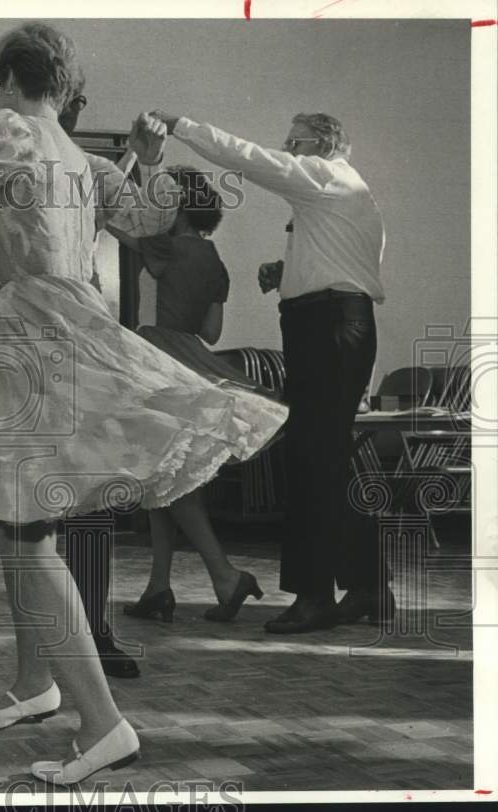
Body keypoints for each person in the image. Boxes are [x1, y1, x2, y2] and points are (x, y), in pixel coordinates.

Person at [0, 24, 286, 784]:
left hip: (32, 335)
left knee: (23, 534)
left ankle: (103, 725)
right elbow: (146, 219)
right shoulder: (82, 159)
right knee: (16, 518)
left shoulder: (1, 133)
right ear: (63, 85)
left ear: (5, 81)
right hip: (71, 324)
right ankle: (36, 686)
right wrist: (146, 159)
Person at [0, 90, 162, 690]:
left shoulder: (86, 169)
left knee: (83, 495)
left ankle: (90, 636)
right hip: (18, 337)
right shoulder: (9, 159)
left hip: (79, 337)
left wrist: (144, 163)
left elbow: (142, 222)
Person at [148, 110, 388, 633]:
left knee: (310, 462)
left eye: (294, 142)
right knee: (332, 459)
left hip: (326, 329)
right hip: (337, 324)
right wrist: (289, 271)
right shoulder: (345, 192)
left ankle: (314, 598)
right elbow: (349, 265)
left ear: (320, 143)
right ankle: (368, 588)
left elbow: (249, 158)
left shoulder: (324, 175)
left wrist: (185, 126)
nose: (286, 148)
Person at [109, 167, 270, 623]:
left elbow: (114, 222)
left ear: (174, 207)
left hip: (154, 358)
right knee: (163, 478)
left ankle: (224, 574)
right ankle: (159, 588)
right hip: (190, 357)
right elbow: (211, 331)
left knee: (167, 479)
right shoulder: (214, 260)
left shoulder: (163, 246)